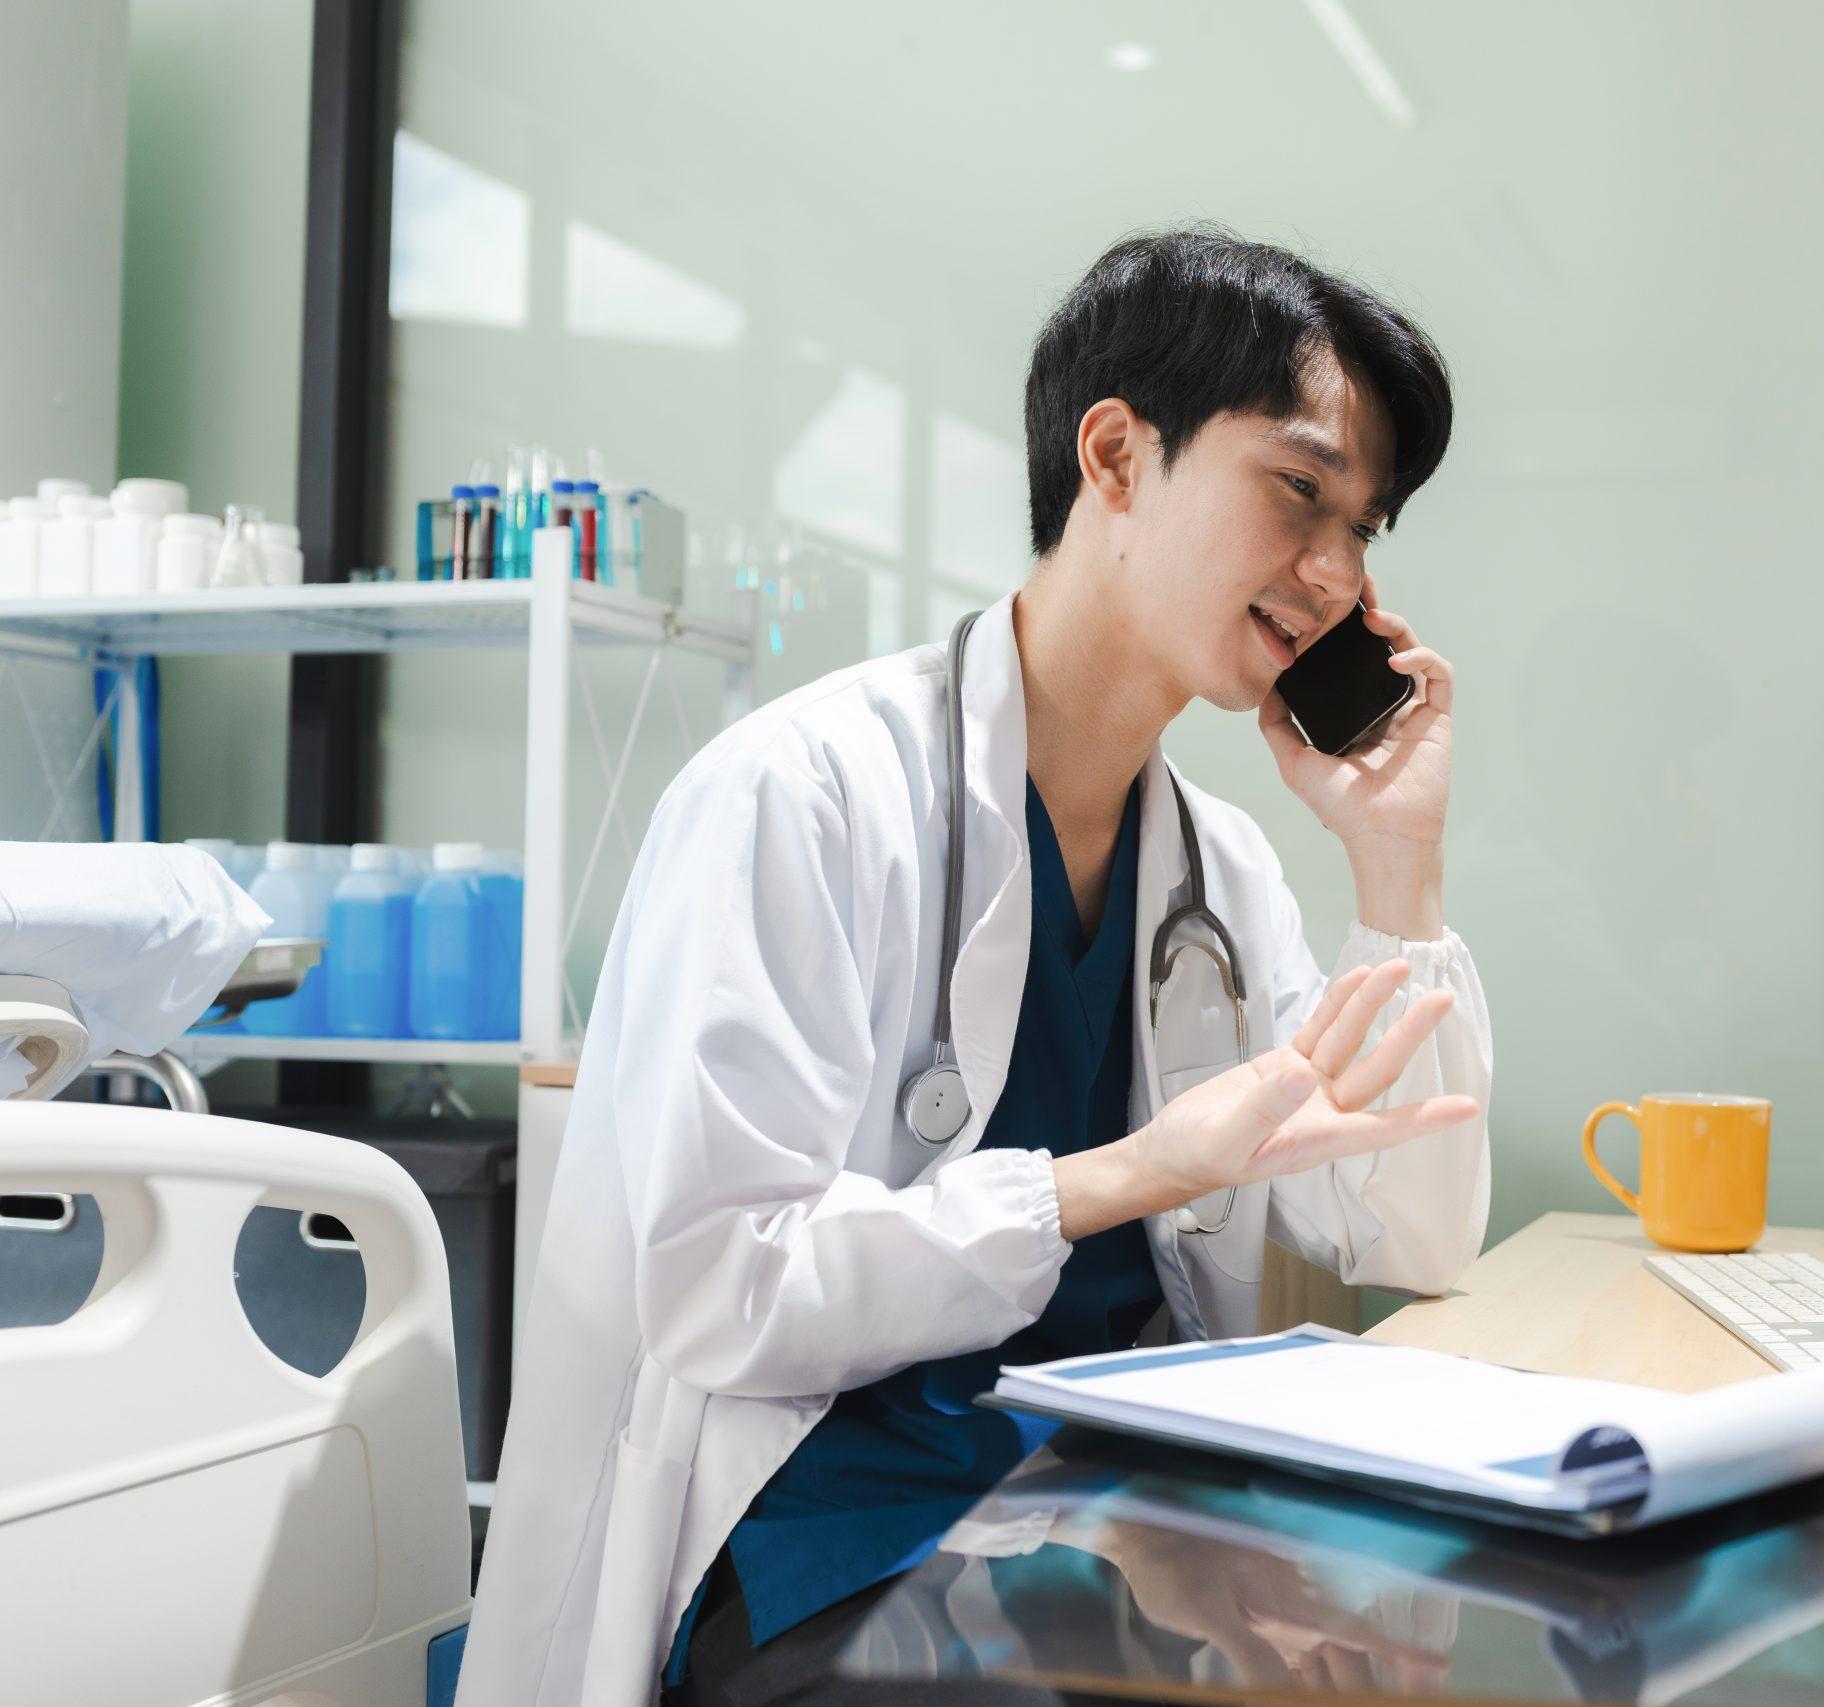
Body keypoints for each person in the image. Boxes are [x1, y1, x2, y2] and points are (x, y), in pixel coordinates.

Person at [458, 226, 1493, 1707]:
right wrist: (1121, 1175)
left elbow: (1419, 1238)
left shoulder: (1216, 870)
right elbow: (718, 1288)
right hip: (832, 1532)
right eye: (1301, 493)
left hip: (1118, 1526)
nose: (1336, 574)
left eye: (1368, 527)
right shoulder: (800, 795)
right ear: (1119, 457)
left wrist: (1398, 861)